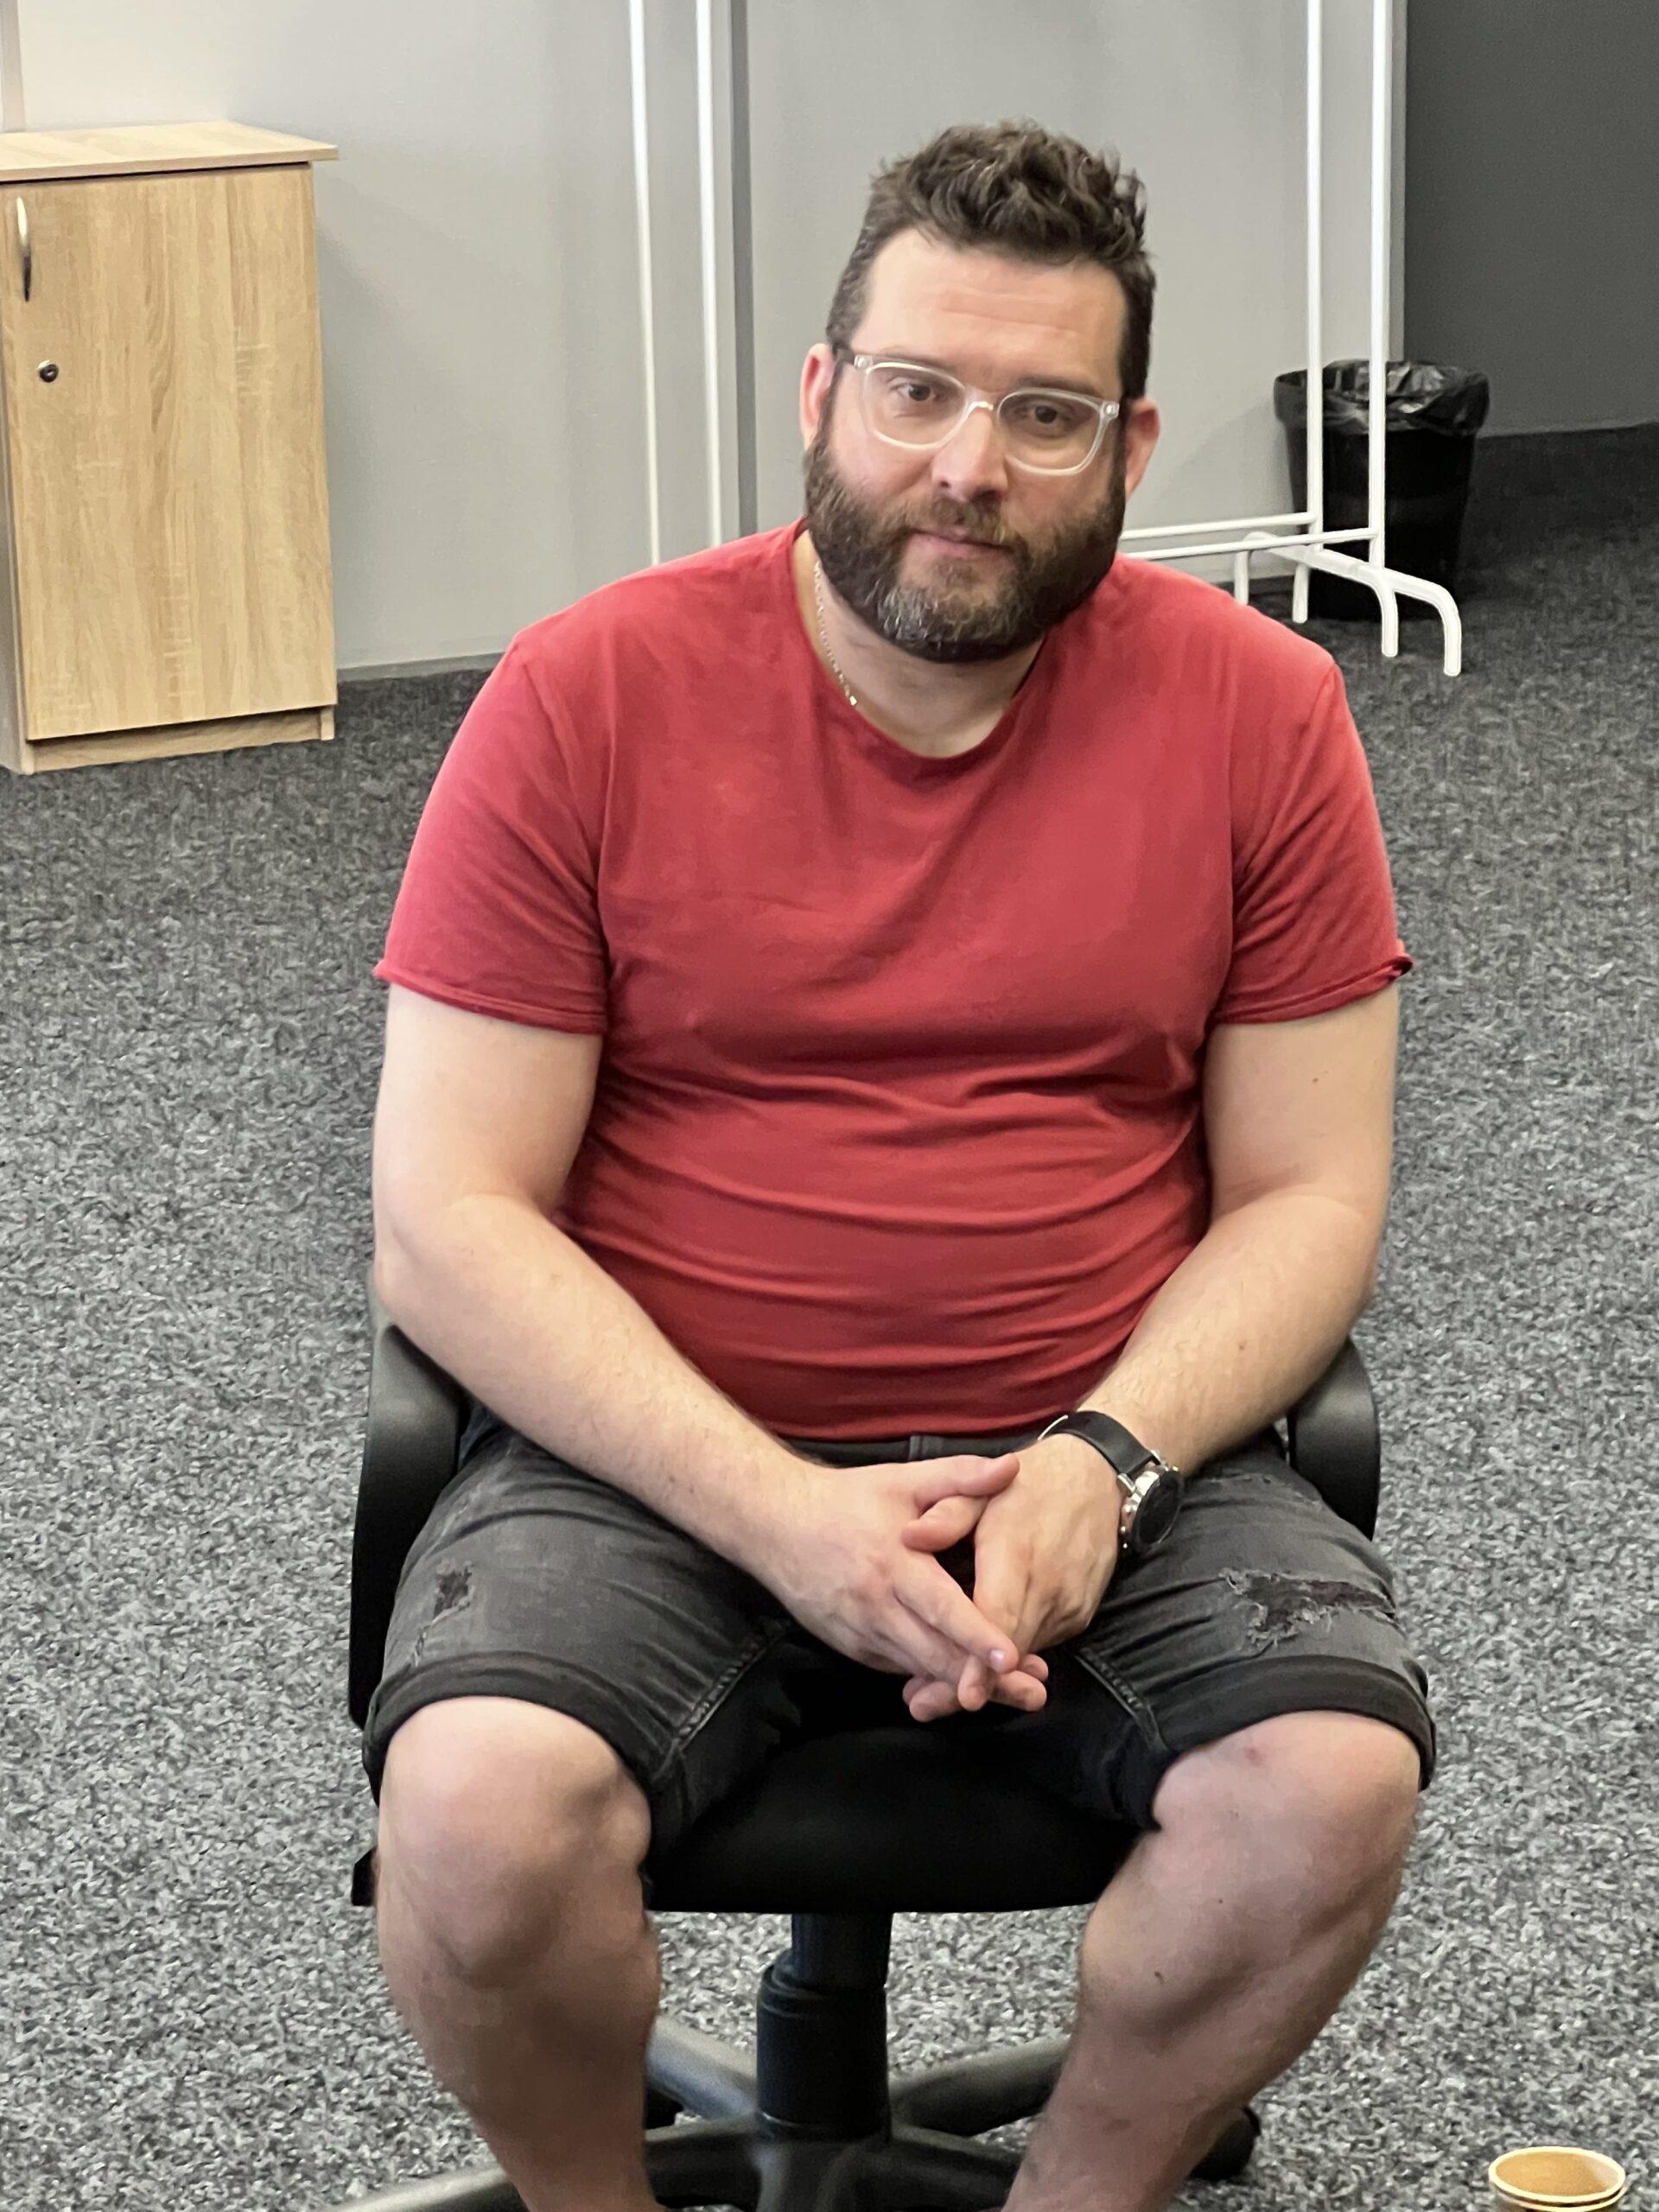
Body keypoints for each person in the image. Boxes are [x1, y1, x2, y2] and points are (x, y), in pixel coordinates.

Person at [363, 119, 1436, 2212]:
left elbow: (1310, 1192)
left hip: (1099, 1437)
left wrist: (1104, 1460)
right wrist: (778, 1510)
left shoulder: (1265, 712)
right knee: (480, 1817)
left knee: (1325, 1787)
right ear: (820, 393)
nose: (969, 465)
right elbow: (447, 1215)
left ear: (1127, 447)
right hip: (657, 1447)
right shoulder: (584, 696)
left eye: (1045, 414)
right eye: (919, 389)